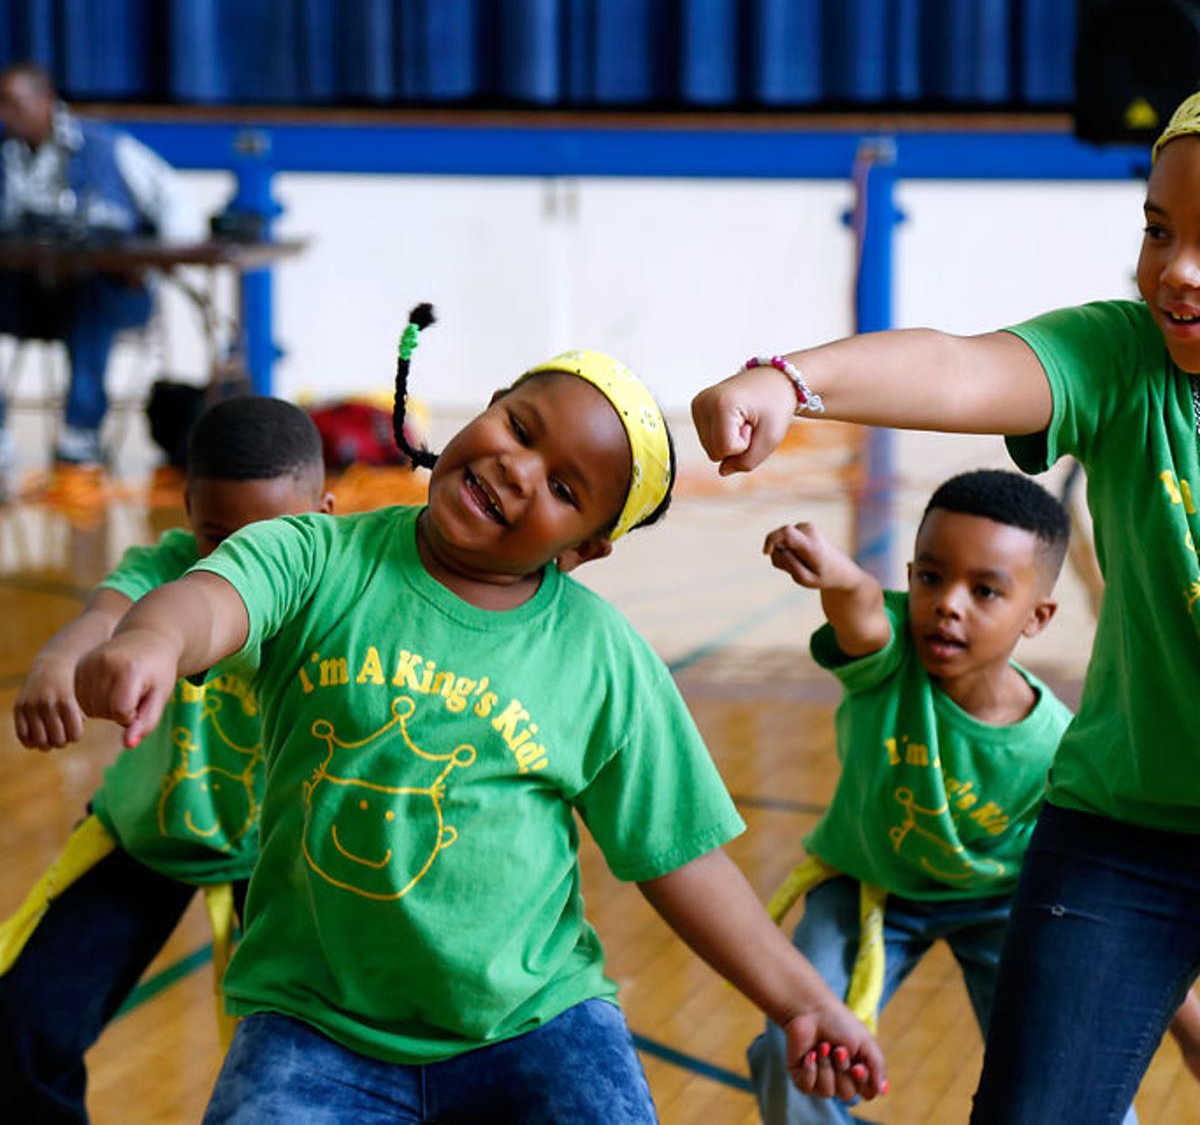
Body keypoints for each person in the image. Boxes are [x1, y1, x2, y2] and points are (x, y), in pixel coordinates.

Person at [74, 326, 888, 1123]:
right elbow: (218, 594)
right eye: (520, 428)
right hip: (311, 1023)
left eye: (565, 490)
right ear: (488, 406)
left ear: (586, 548)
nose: (518, 469)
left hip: (537, 1024)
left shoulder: (601, 658)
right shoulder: (320, 557)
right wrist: (153, 638)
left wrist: (805, 1003)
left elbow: (683, 862)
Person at [691, 90, 1200, 1123]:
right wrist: (793, 380)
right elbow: (963, 365)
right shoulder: (1125, 361)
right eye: (1159, 230)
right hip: (1123, 835)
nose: (1177, 270)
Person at [0, 395, 333, 1125]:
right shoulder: (164, 571)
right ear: (186, 510)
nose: (243, 564)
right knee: (23, 1023)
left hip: (277, 862)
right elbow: (99, 618)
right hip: (145, 841)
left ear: (325, 513)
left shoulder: (332, 595)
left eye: (270, 541)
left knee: (296, 1075)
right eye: (219, 538)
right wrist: (60, 662)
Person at [747, 469, 1111, 1122]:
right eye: (930, 579)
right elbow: (860, 606)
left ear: (1038, 617)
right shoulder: (888, 660)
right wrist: (838, 573)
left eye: (986, 591)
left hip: (1000, 904)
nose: (948, 604)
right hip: (868, 887)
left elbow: (1098, 881)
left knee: (1074, 1062)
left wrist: (1184, 1016)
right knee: (793, 1045)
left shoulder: (1055, 746)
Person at [0, 61, 204, 472]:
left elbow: (176, 204)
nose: (6, 116)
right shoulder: (6, 157)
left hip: (110, 295)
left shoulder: (107, 148)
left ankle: (81, 433)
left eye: (15, 104)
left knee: (89, 302)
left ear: (46, 102)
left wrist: (149, 260)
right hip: (34, 295)